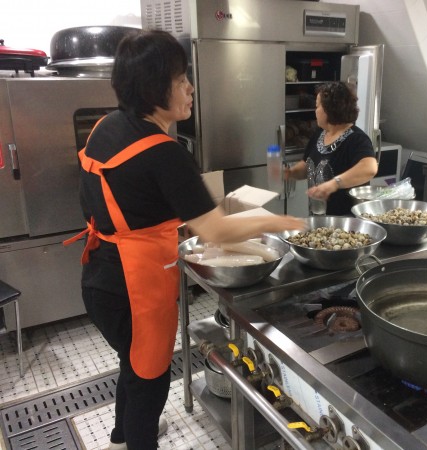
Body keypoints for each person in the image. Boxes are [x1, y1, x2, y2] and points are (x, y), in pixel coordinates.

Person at [64, 29, 304, 450]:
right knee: (150, 379)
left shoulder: (107, 126)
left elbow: (138, 198)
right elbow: (216, 231)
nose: (190, 88)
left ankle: (121, 438)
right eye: (180, 80)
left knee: (132, 364)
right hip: (135, 288)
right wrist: (286, 222)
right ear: (153, 88)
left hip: (99, 277)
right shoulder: (164, 152)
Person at [285, 81, 378, 216]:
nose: (315, 111)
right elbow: (307, 166)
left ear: (330, 109)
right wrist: (289, 173)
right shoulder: (320, 134)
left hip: (346, 222)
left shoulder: (356, 139)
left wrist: (334, 183)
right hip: (320, 218)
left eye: (317, 106)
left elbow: (369, 168)